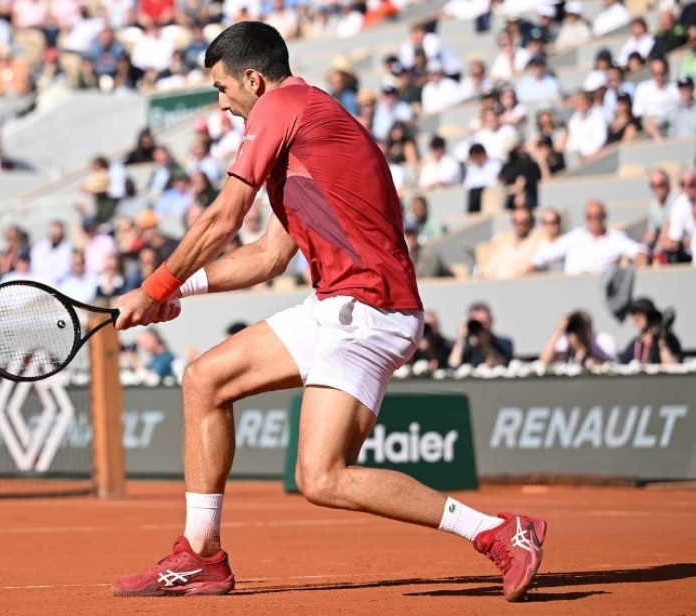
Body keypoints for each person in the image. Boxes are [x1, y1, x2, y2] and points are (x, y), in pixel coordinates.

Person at [110, 22, 546, 602]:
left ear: (252, 79)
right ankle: (202, 556)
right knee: (204, 379)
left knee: (322, 478)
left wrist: (155, 282)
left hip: (368, 309)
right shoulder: (306, 127)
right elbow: (268, 256)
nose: (222, 105)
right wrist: (175, 294)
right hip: (336, 304)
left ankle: (498, 531)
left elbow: (223, 217)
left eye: (221, 89)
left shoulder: (282, 106)